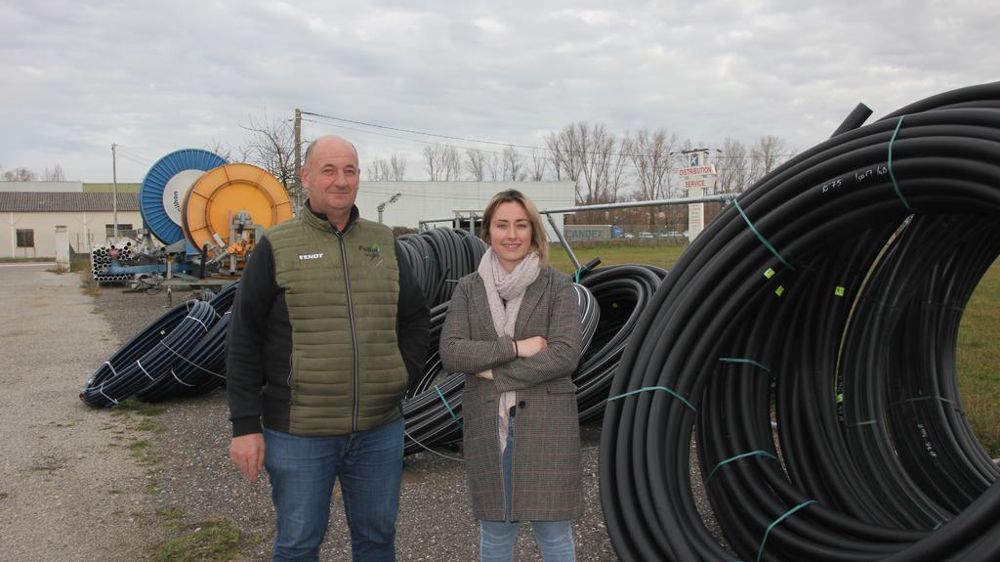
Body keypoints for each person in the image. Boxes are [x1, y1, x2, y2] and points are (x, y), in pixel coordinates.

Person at [226, 135, 429, 562]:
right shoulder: (276, 247)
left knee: (377, 538)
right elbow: (244, 338)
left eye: (349, 171)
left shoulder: (384, 242)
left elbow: (414, 317)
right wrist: (245, 425)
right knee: (299, 543)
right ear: (306, 178)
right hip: (299, 432)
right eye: (329, 170)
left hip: (378, 429)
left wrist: (402, 374)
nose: (340, 181)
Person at [439, 189, 584, 562]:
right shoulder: (468, 289)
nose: (512, 234)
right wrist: (515, 347)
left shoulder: (557, 285)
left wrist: (493, 373)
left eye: (521, 225)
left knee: (553, 532)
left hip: (548, 425)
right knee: (496, 533)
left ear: (534, 231)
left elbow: (564, 354)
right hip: (489, 425)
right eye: (502, 225)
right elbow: (452, 351)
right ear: (488, 231)